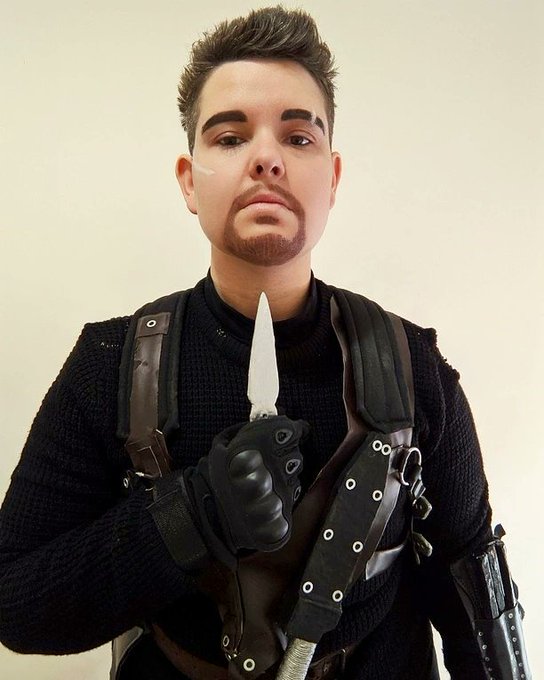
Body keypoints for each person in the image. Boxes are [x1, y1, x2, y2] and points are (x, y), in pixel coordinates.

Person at [0, 6, 530, 680]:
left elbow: (476, 603)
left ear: (332, 177)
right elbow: (15, 603)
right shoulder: (111, 367)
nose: (266, 159)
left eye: (298, 137)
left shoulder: (411, 366)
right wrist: (191, 517)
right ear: (189, 180)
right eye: (229, 136)